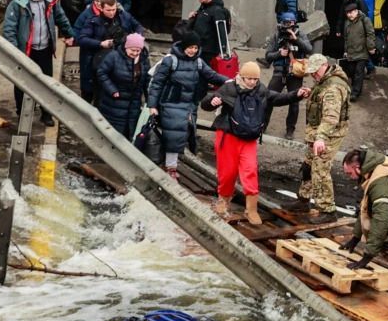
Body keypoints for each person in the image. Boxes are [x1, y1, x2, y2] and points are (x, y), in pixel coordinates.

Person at [204, 60, 307, 223]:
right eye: (249, 79)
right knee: (227, 172)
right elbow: (206, 104)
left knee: (250, 170)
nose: (252, 82)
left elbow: (277, 98)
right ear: (242, 77)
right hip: (228, 135)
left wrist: (296, 94)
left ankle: (251, 209)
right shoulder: (229, 88)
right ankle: (223, 200)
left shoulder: (260, 90)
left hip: (249, 137)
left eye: (255, 79)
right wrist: (212, 102)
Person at [147, 31, 228, 180]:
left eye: (195, 48)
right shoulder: (170, 61)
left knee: (182, 134)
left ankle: (170, 164)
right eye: (190, 47)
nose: (193, 51)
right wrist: (152, 105)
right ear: (184, 46)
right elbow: (157, 84)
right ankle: (170, 167)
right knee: (173, 134)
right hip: (171, 103)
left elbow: (212, 75)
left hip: (188, 104)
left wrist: (229, 81)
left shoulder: (198, 62)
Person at [1, 0, 75, 126]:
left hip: (45, 49)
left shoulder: (51, 2)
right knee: (21, 82)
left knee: (46, 83)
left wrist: (69, 34)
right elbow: (9, 28)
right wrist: (14, 50)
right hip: (25, 50)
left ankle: (46, 114)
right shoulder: (17, 4)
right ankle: (22, 112)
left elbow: (60, 17)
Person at [299, 54, 351, 219]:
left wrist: (320, 138)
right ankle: (303, 200)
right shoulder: (324, 81)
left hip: (329, 134)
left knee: (320, 169)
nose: (314, 75)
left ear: (325, 65)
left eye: (316, 72)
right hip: (318, 131)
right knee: (308, 164)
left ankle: (327, 209)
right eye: (311, 72)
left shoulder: (333, 88)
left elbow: (330, 117)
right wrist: (312, 92)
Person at [76, 0, 144, 104]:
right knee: (96, 91)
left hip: (120, 59)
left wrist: (136, 38)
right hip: (99, 59)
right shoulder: (93, 21)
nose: (112, 13)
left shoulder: (124, 16)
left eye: (113, 9)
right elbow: (82, 39)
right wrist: (101, 43)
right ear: (101, 8)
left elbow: (138, 26)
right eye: (108, 10)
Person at [262, 12, 313, 139]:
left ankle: (290, 130)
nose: (288, 26)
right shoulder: (276, 36)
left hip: (295, 73)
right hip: (279, 72)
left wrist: (296, 40)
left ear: (295, 23)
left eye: (290, 23)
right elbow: (267, 56)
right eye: (285, 23)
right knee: (268, 98)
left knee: (294, 102)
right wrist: (279, 54)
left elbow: (309, 49)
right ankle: (262, 126)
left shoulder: (300, 34)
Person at [95, 33, 150, 139]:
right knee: (113, 133)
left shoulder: (144, 60)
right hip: (114, 102)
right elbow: (102, 73)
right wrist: (112, 89)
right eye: (132, 50)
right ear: (126, 47)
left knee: (129, 131)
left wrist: (150, 100)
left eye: (137, 51)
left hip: (133, 103)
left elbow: (147, 80)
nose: (135, 53)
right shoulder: (113, 56)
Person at [186, 0, 231, 65]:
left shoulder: (217, 10)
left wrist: (223, 50)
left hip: (209, 49)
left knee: (206, 70)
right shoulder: (203, 7)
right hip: (199, 46)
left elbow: (222, 30)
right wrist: (191, 17)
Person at [339, 3, 374, 100]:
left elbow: (370, 34)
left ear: (356, 11)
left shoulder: (365, 20)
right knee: (352, 72)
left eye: (350, 13)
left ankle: (355, 93)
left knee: (359, 72)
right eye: (347, 13)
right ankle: (357, 88)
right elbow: (346, 38)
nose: (349, 15)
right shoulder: (347, 23)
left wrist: (371, 47)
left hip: (362, 51)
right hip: (351, 52)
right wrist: (345, 50)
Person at [360, 0, 381, 75]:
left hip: (362, 26)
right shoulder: (373, 1)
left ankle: (369, 67)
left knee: (362, 49)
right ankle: (370, 67)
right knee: (366, 48)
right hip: (370, 26)